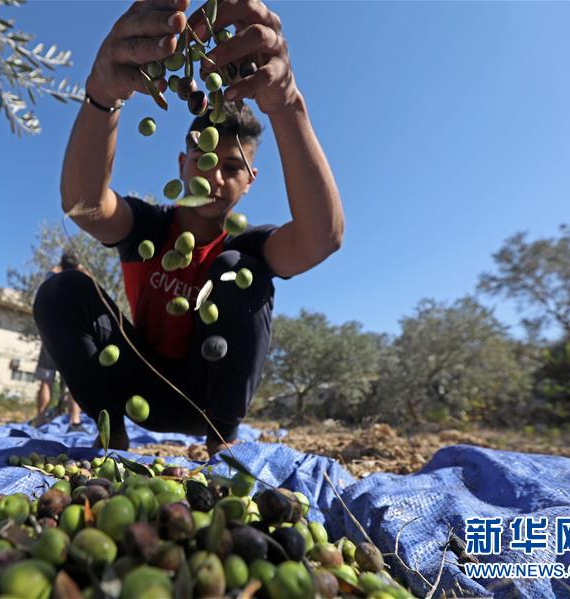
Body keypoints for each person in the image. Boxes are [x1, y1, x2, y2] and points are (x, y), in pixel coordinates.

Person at [34, 0, 344, 455]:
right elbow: (84, 206)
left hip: (207, 400)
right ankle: (110, 443)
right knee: (63, 291)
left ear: (250, 181)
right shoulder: (149, 228)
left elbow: (322, 238)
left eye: (233, 167)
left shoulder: (248, 246)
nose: (214, 177)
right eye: (204, 159)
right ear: (183, 163)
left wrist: (288, 104)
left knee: (242, 271)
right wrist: (103, 95)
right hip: (136, 387)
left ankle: (223, 447)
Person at [32, 251, 85, 432]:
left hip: (50, 335)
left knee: (46, 381)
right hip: (71, 338)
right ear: (77, 266)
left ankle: (39, 419)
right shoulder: (79, 281)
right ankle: (75, 421)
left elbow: (43, 289)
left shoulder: (52, 280)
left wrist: (55, 270)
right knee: (74, 382)